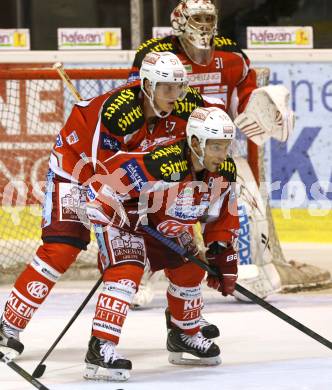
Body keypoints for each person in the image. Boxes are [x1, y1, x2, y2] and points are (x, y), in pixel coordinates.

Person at [0, 51, 225, 360]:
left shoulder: (182, 104)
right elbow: (97, 174)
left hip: (127, 181)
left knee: (180, 249)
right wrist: (117, 210)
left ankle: (184, 327)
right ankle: (8, 326)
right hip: (76, 173)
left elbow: (214, 121)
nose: (174, 95)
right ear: (147, 85)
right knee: (62, 248)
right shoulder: (117, 115)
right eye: (166, 88)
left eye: (179, 87)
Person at [128, 0, 329, 302]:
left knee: (247, 207)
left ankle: (247, 271)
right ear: (180, 20)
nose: (205, 24)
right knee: (151, 214)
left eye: (209, 17)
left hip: (218, 155)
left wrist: (266, 109)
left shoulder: (231, 55)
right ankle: (138, 275)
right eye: (198, 17)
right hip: (170, 155)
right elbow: (139, 101)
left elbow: (245, 100)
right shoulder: (155, 55)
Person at [83, 106, 239, 381]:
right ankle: (101, 346)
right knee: (126, 274)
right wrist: (112, 207)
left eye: (225, 146)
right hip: (126, 223)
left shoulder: (224, 170)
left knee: (192, 269)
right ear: (194, 143)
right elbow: (109, 181)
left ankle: (183, 333)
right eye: (215, 146)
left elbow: (221, 214)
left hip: (161, 225)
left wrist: (220, 251)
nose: (222, 154)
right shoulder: (164, 161)